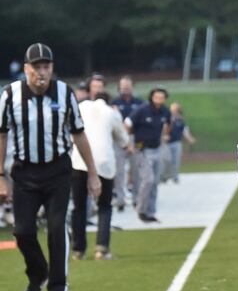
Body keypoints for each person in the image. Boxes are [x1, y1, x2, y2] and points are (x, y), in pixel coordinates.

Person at [0, 42, 101, 291]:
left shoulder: (64, 93)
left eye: (46, 66)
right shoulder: (10, 95)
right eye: (36, 67)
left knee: (55, 228)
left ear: (52, 68)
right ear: (26, 69)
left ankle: (57, 287)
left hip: (57, 171)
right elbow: (0, 136)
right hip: (25, 172)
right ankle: (37, 274)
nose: (42, 73)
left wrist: (92, 173)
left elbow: (78, 134)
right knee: (23, 231)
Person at [71, 91, 129, 260]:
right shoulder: (112, 112)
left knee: (79, 206)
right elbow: (123, 139)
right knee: (104, 206)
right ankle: (101, 249)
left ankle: (78, 250)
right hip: (104, 163)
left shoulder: (81, 107)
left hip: (79, 161)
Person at [125, 87, 170, 222]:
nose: (159, 100)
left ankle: (150, 212)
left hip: (156, 148)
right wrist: (128, 142)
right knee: (148, 179)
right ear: (152, 97)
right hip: (142, 149)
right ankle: (141, 209)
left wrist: (164, 135)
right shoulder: (142, 110)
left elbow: (168, 124)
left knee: (155, 182)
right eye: (157, 97)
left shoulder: (165, 111)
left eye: (162, 97)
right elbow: (127, 123)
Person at [111, 75, 143, 211]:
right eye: (123, 87)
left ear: (132, 87)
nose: (125, 89)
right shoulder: (114, 103)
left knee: (136, 170)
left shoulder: (139, 103)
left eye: (128, 87)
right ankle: (120, 199)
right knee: (119, 171)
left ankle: (136, 198)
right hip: (118, 139)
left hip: (134, 138)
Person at [161, 102, 196, 183]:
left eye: (176, 109)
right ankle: (165, 176)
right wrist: (163, 137)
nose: (174, 111)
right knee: (167, 160)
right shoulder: (166, 118)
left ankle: (175, 176)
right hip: (167, 143)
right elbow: (162, 129)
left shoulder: (180, 120)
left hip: (176, 142)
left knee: (176, 160)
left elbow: (184, 131)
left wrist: (190, 139)